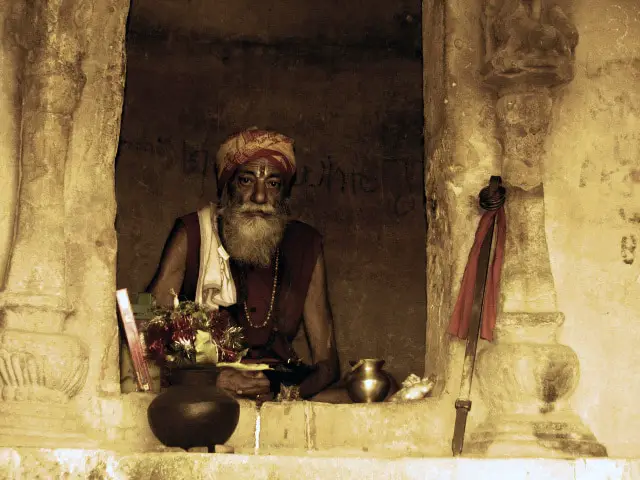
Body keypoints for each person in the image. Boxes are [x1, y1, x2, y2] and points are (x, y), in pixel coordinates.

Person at [147, 128, 342, 402]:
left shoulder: (305, 243)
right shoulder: (192, 232)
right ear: (227, 188)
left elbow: (329, 364)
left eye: (273, 184)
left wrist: (281, 388)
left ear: (284, 195)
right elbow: (144, 323)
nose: (259, 197)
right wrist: (211, 378)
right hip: (205, 389)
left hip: (277, 387)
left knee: (368, 392)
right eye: (246, 181)